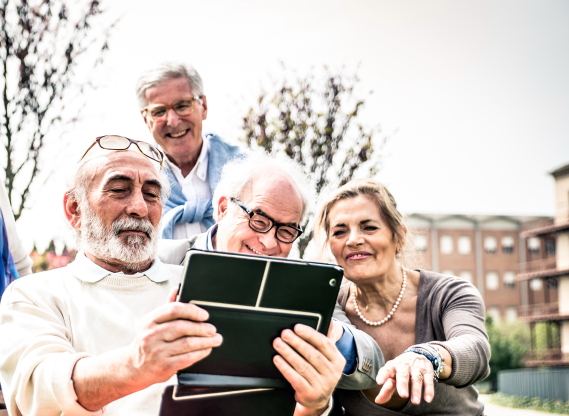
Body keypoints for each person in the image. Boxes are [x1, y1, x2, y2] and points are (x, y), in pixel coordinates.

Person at [0, 136, 342, 416]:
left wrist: (312, 406)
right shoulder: (34, 295)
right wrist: (136, 365)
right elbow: (37, 389)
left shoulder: (210, 286)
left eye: (151, 194)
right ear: (75, 210)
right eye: (119, 190)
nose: (140, 207)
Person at [158, 154, 383, 392]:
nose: (268, 242)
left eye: (286, 230)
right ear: (223, 208)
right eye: (258, 219)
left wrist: (328, 331)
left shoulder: (302, 284)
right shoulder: (158, 262)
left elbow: (371, 364)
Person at [314, 178, 491, 415]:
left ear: (399, 237)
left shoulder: (449, 293)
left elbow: (475, 349)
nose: (353, 239)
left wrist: (428, 356)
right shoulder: (325, 307)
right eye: (339, 231)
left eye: (369, 227)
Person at [136, 62, 245, 239]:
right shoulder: (133, 180)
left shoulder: (247, 171)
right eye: (158, 111)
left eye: (182, 105)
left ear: (204, 106)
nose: (172, 120)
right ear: (146, 119)